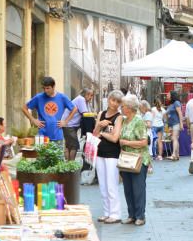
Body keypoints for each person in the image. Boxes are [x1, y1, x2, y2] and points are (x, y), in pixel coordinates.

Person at [118, 94, 151, 226]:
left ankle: (140, 216)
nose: (121, 108)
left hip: (138, 159)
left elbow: (144, 142)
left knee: (138, 189)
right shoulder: (125, 120)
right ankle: (131, 215)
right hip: (126, 159)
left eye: (123, 106)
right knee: (128, 189)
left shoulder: (138, 121)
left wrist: (125, 142)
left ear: (130, 108)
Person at [93, 90, 125, 224]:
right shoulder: (101, 114)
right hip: (99, 152)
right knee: (103, 185)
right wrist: (100, 125)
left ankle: (115, 214)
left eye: (118, 102)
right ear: (108, 99)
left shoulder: (119, 117)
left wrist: (103, 133)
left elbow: (115, 138)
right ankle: (107, 212)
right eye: (113, 100)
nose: (114, 103)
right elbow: (94, 134)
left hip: (113, 154)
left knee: (111, 184)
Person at [22, 76, 79, 148]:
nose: (45, 91)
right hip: (42, 136)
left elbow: (74, 109)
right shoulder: (38, 97)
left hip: (57, 136)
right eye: (44, 88)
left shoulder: (62, 97)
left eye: (48, 88)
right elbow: (24, 108)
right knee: (42, 159)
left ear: (53, 87)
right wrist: (33, 120)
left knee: (57, 158)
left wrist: (65, 121)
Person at [64, 88, 93, 161]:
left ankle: (68, 165)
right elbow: (86, 113)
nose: (91, 97)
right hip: (69, 125)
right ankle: (71, 164)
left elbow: (89, 112)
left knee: (69, 145)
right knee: (74, 145)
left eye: (92, 95)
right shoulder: (81, 99)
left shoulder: (85, 101)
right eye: (90, 95)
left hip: (70, 125)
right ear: (85, 94)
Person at [165, 91, 185, 161]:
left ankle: (173, 154)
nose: (167, 95)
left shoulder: (176, 102)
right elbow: (167, 115)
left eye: (168, 94)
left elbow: (180, 113)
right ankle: (177, 155)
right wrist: (168, 125)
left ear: (172, 95)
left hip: (176, 123)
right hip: (171, 124)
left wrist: (181, 124)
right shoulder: (171, 104)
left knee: (174, 138)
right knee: (175, 139)